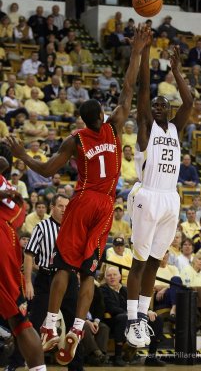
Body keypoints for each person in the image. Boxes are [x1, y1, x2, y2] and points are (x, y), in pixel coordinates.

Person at [6, 27, 149, 365]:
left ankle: (51, 323)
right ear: (101, 115)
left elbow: (47, 171)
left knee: (62, 266)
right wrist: (137, 50)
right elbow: (129, 87)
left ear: (82, 119)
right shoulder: (114, 125)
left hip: (82, 200)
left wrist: (23, 155)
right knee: (89, 272)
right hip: (105, 206)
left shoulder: (76, 139)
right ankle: (79, 327)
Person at [125, 42, 194, 348]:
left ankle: (142, 315)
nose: (157, 108)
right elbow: (142, 89)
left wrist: (177, 71)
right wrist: (143, 54)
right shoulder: (145, 128)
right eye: (154, 106)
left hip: (170, 198)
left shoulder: (175, 131)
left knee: (155, 261)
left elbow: (189, 101)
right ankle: (131, 321)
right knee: (139, 263)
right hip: (148, 195)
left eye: (163, 105)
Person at [7, 194, 84, 371]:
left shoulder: (72, 227)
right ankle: (16, 361)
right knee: (33, 323)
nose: (64, 209)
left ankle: (77, 366)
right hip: (46, 278)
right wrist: (28, 282)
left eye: (66, 206)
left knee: (75, 323)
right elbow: (29, 254)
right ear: (52, 207)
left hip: (69, 278)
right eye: (60, 206)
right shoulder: (42, 227)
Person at [0, 157, 46, 371]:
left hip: (3, 238)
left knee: (19, 322)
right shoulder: (8, 187)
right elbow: (2, 160)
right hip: (9, 240)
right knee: (19, 322)